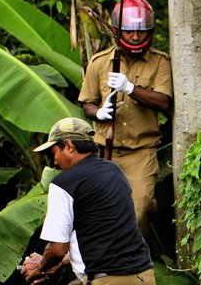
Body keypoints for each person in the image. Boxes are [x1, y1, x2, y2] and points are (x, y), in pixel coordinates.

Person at [77, 0, 173, 237]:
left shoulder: (160, 62)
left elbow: (163, 101)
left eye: (141, 31)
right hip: (103, 152)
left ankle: (135, 266)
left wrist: (131, 89)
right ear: (117, 30)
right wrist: (98, 113)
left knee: (139, 211)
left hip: (141, 153)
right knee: (99, 214)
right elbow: (87, 103)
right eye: (130, 31)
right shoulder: (99, 63)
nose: (136, 36)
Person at [22, 117, 155, 285]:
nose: (54, 161)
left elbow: (57, 249)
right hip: (143, 276)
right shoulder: (114, 170)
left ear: (69, 146)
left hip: (107, 280)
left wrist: (40, 266)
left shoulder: (63, 184)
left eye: (54, 152)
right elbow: (104, 235)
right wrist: (61, 262)